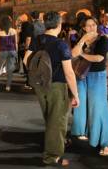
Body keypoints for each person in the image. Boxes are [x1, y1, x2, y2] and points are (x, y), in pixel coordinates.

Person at [28, 11, 80, 166]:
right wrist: (75, 95)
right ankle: (52, 157)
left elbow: (26, 60)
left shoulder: (37, 40)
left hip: (41, 85)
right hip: (57, 87)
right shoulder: (61, 44)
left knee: (50, 119)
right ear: (59, 24)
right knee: (57, 122)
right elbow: (69, 73)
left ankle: (55, 146)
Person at [71, 16, 108, 156]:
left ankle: (107, 142)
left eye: (94, 24)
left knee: (98, 109)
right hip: (81, 76)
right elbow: (72, 54)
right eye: (88, 25)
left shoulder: (102, 39)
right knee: (82, 107)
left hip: (97, 77)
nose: (91, 27)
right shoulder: (79, 39)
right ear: (83, 28)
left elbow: (99, 58)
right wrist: (82, 41)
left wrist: (82, 54)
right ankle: (86, 133)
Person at [0, 15, 18, 92]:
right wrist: (16, 53)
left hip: (2, 51)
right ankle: (8, 86)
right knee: (9, 69)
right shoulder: (14, 31)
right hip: (12, 51)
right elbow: (15, 43)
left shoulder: (0, 32)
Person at [18, 13, 34, 90]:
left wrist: (26, 48)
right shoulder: (28, 24)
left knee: (26, 64)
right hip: (26, 47)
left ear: (24, 18)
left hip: (24, 47)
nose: (20, 18)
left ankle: (29, 83)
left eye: (21, 17)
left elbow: (28, 37)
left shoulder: (25, 25)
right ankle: (29, 81)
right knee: (27, 64)